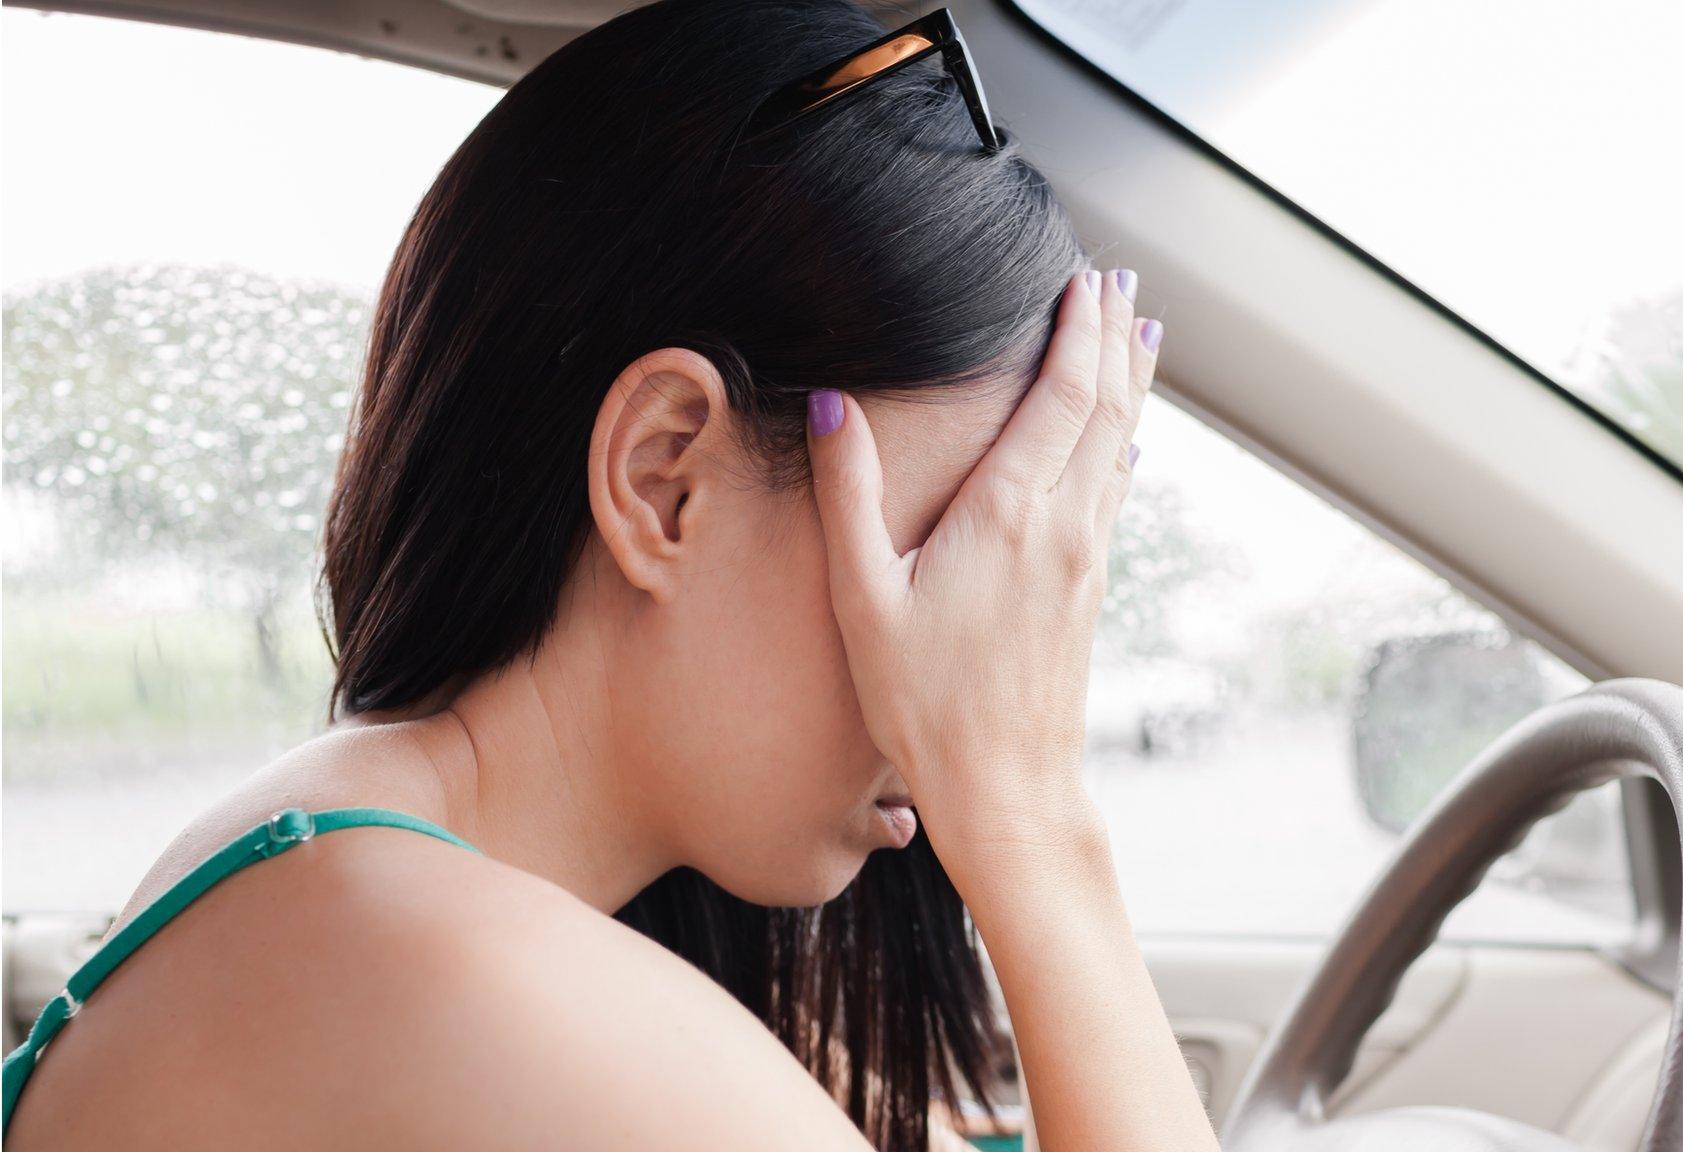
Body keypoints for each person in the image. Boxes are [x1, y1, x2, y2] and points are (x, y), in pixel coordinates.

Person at [0, 2, 1215, 1149]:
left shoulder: (387, 879)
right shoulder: (457, 971)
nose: (993, 651)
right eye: (950, 550)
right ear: (663, 477)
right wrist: (1029, 815)